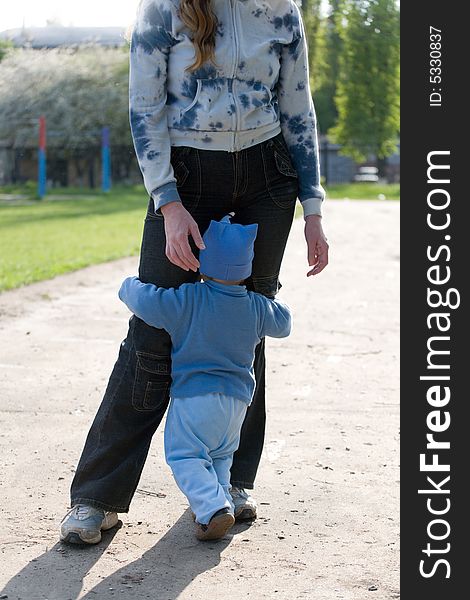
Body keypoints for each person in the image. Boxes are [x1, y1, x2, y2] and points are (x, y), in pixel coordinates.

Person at [60, 0, 328, 545]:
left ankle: (230, 483)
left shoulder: (280, 9)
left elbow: (298, 107)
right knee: (151, 334)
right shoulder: (164, 8)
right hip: (186, 175)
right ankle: (98, 498)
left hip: (266, 176)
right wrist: (168, 201)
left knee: (243, 325)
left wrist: (313, 207)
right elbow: (145, 107)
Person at [118, 215, 292, 541]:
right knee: (220, 457)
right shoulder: (255, 307)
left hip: (194, 397)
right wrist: (272, 295)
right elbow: (284, 323)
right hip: (238, 403)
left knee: (184, 455)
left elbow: (146, 301)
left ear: (202, 265)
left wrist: (127, 286)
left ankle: (212, 508)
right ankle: (220, 501)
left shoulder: (189, 299)